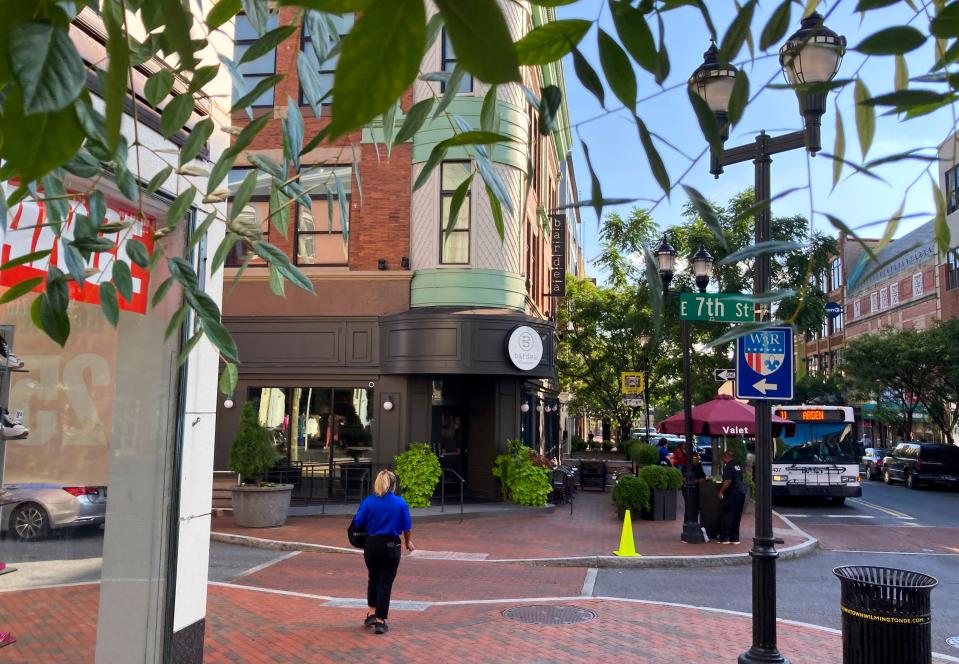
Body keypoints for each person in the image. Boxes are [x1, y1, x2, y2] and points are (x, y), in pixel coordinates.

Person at [352, 470, 414, 634]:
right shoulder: (400, 503)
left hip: (371, 545)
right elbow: (406, 528)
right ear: (393, 485)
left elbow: (358, 522)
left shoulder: (368, 502)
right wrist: (408, 543)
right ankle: (380, 621)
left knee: (373, 577)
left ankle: (372, 613)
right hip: (390, 545)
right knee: (385, 582)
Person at [717, 450, 746, 545]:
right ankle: (735, 538)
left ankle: (725, 537)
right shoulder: (738, 466)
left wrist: (721, 491)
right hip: (741, 492)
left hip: (732, 493)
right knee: (737, 515)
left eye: (723, 459)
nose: (723, 461)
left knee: (727, 514)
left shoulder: (728, 467)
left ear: (726, 457)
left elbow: (728, 481)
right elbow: (741, 479)